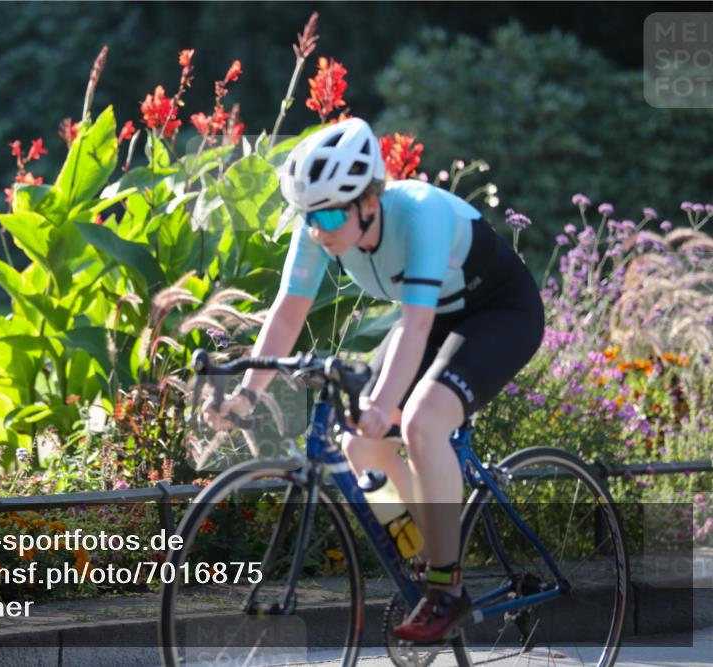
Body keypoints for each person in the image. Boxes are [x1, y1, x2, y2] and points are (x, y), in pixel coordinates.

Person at [202, 117, 545, 642]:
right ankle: (425, 553)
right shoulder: (322, 226)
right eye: (309, 217)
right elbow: (289, 311)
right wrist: (249, 393)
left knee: (423, 424)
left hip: (499, 313)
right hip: (431, 317)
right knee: (358, 444)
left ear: (370, 201)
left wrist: (385, 403)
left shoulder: (421, 214)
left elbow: (416, 324)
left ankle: (447, 590)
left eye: (333, 214)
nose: (320, 230)